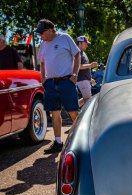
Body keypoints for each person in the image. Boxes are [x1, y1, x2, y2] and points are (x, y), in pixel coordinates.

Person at [36, 19, 81, 154]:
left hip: (66, 81)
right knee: (54, 112)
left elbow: (77, 54)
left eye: (42, 33)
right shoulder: (43, 44)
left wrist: (74, 74)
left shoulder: (65, 38)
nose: (40, 36)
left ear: (50, 30)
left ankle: (80, 141)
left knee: (73, 112)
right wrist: (43, 78)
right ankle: (58, 142)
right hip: (50, 83)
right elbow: (42, 63)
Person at [77, 36, 98, 107]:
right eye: (86, 43)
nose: (87, 45)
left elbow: (84, 67)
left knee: (87, 99)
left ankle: (73, 108)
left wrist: (89, 79)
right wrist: (90, 65)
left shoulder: (82, 52)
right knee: (88, 100)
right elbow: (78, 66)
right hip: (82, 80)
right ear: (81, 43)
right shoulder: (77, 52)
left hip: (85, 80)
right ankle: (82, 115)